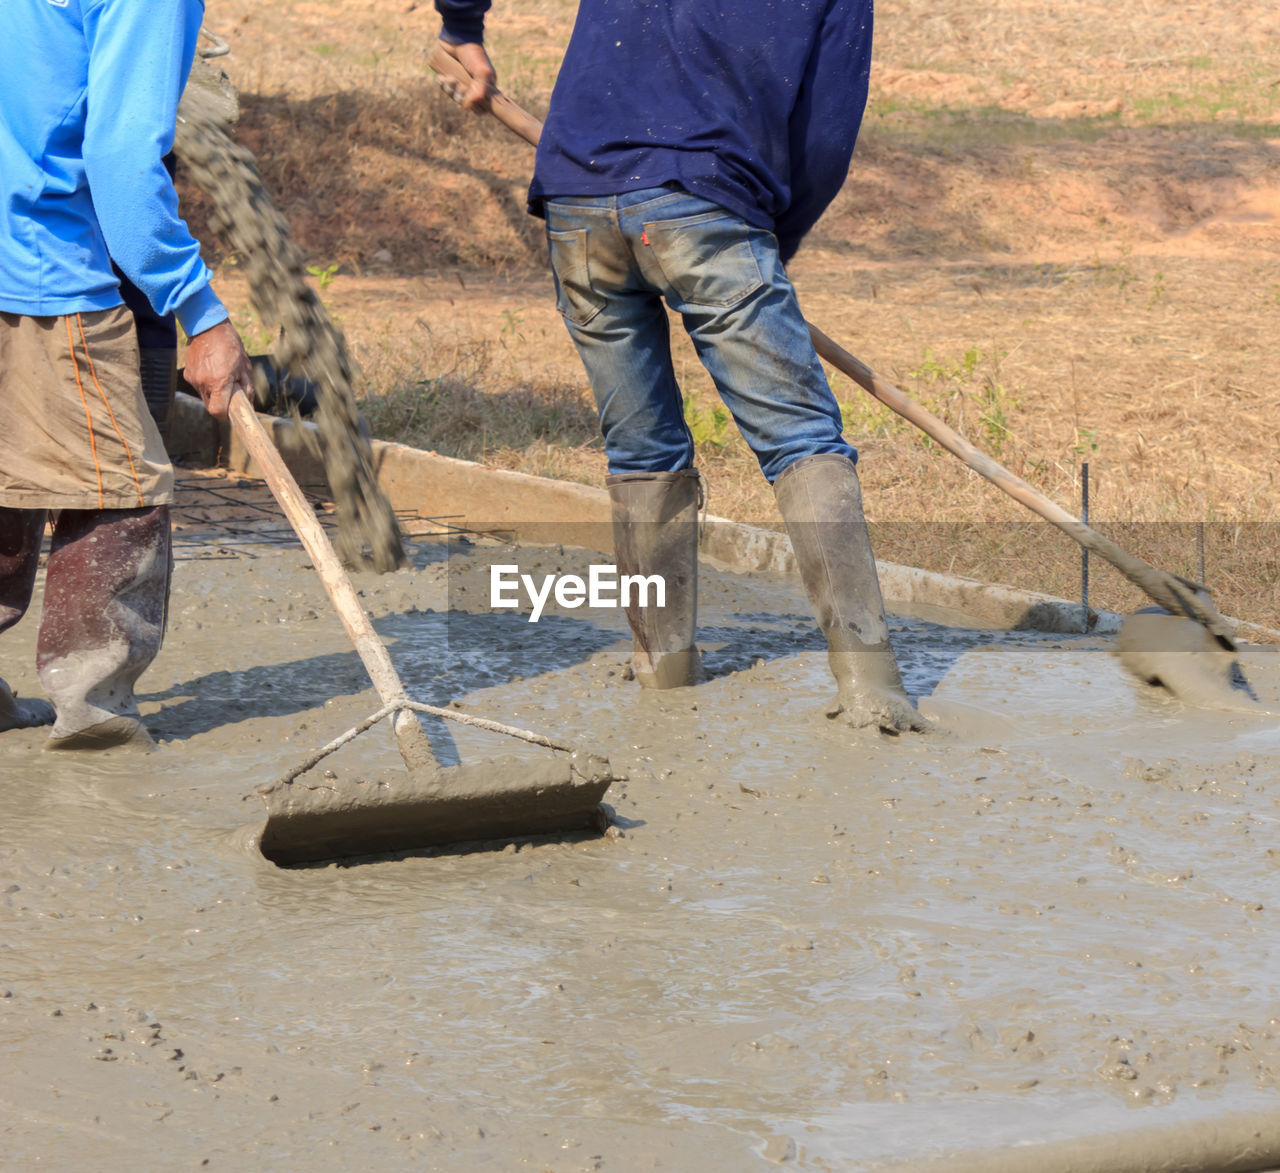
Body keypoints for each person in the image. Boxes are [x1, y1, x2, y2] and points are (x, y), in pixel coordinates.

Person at [435, 1, 927, 733]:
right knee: (801, 440)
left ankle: (663, 673)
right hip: (706, 203)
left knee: (640, 449)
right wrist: (766, 241)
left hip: (577, 196)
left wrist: (460, 27)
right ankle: (873, 688)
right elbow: (824, 139)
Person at [0, 0, 254, 749]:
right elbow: (121, 161)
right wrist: (200, 312)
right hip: (48, 265)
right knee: (122, 491)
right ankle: (97, 729)